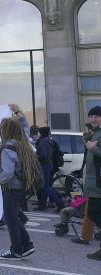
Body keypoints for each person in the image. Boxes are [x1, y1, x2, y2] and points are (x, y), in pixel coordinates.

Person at [0, 116, 39, 260]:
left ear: (6, 130)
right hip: (22, 187)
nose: (0, 131)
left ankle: (16, 250)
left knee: (10, 219)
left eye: (1, 128)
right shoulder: (21, 143)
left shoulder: (7, 147)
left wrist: (0, 180)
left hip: (11, 187)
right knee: (14, 217)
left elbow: (8, 172)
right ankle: (27, 245)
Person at [82, 105, 101, 261]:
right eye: (91, 116)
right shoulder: (95, 133)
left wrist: (93, 148)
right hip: (94, 182)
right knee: (95, 213)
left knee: (94, 213)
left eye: (96, 116)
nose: (93, 119)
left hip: (99, 183)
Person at [35, 126, 65, 212]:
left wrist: (35, 157)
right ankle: (43, 204)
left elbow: (43, 155)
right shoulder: (49, 141)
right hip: (49, 165)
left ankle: (59, 203)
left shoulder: (42, 142)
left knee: (45, 186)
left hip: (44, 165)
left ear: (41, 133)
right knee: (46, 185)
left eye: (38, 132)